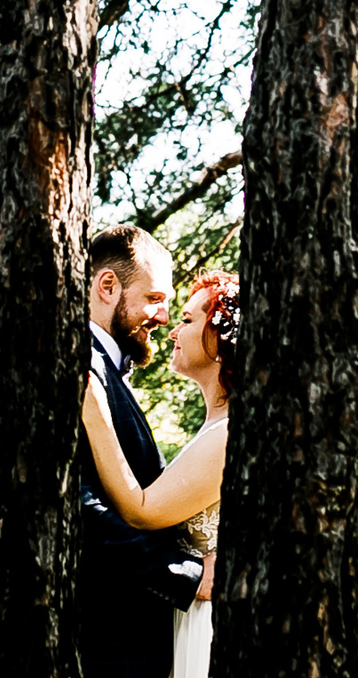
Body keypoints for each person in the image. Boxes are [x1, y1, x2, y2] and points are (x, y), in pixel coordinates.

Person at [81, 268, 237, 678]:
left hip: (207, 622)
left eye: (187, 320)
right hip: (185, 619)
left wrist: (95, 416)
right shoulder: (215, 426)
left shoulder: (232, 432)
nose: (171, 329)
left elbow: (142, 510)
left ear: (221, 339)